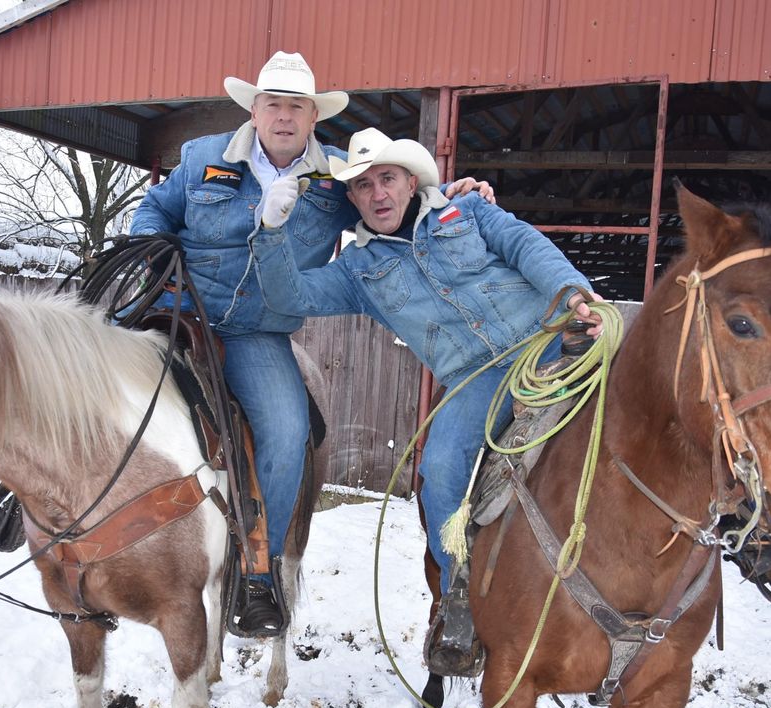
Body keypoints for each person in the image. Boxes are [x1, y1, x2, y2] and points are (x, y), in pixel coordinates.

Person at [130, 53, 494, 637]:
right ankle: (32, 504)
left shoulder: (338, 177)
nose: (283, 115)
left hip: (255, 331)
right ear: (254, 109)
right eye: (273, 103)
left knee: (286, 428)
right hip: (177, 308)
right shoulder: (202, 158)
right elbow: (155, 210)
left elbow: (393, 197)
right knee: (88, 379)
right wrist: (151, 253)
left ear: (312, 116)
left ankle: (258, 571)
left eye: (296, 106)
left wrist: (453, 194)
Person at [249, 127, 603, 671]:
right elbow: (290, 295)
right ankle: (458, 595)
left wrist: (571, 293)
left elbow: (525, 245)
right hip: (474, 379)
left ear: (410, 181)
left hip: (548, 336)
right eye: (363, 186)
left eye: (387, 179)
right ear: (352, 199)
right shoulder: (358, 272)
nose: (378, 194)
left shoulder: (467, 211)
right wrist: (270, 233)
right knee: (438, 469)